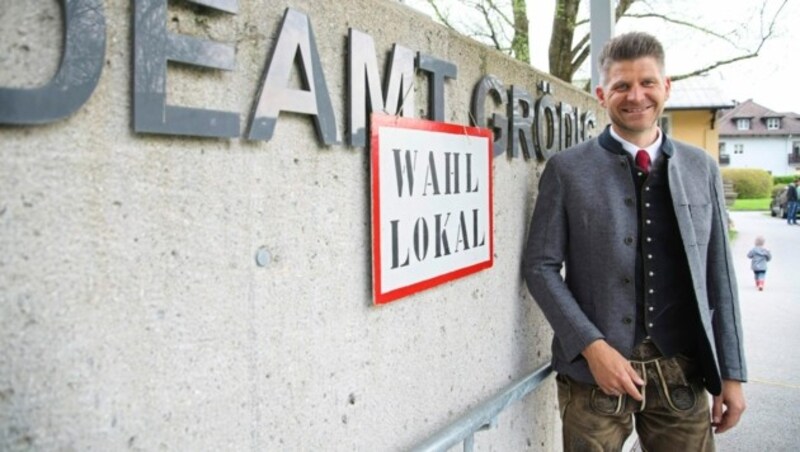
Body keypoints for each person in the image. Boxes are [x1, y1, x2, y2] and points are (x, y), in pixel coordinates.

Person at [522, 31, 746, 451]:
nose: (635, 95)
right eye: (622, 85)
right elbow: (540, 266)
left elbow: (720, 275)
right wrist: (591, 346)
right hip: (594, 376)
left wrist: (731, 373)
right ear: (602, 93)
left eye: (647, 83)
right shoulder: (567, 170)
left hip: (682, 370)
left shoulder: (702, 168)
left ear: (666, 87)